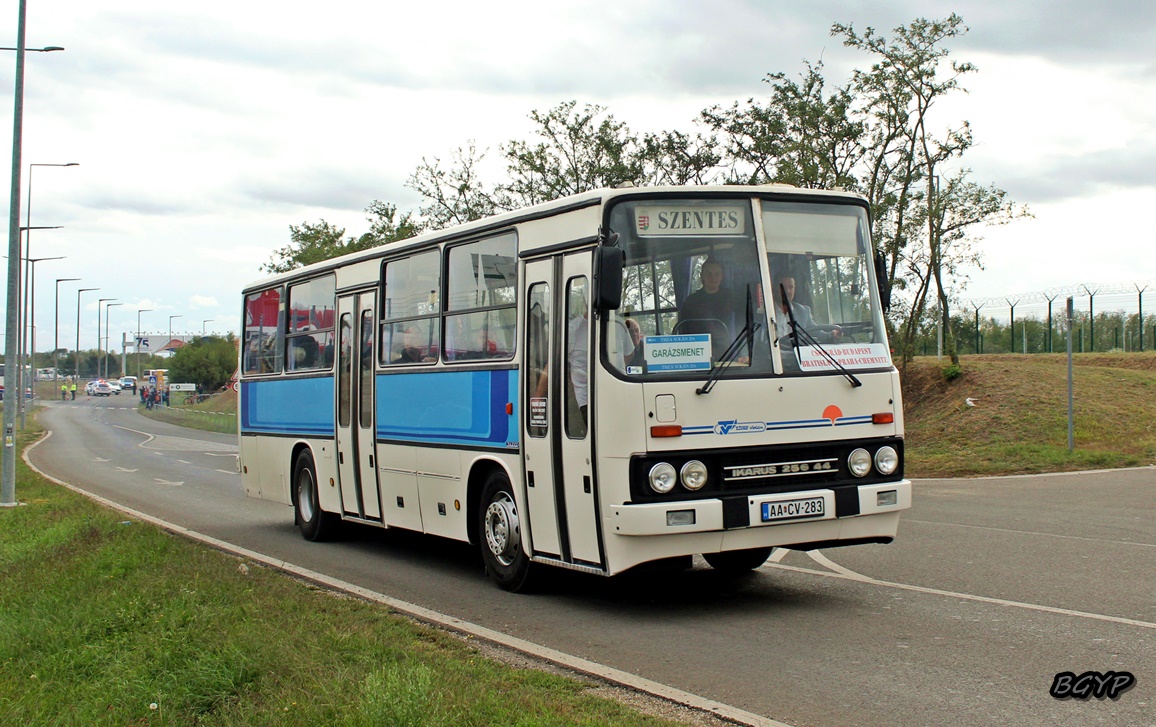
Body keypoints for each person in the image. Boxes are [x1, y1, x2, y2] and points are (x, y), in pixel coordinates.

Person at [774, 273, 842, 345]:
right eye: (783, 287)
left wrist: (831, 335)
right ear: (774, 288)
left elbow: (815, 332)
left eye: (791, 287)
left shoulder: (803, 311)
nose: (787, 291)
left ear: (795, 288)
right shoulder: (764, 313)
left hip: (798, 353)